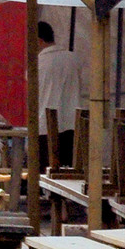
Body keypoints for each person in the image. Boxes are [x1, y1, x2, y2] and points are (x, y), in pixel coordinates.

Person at [37, 21, 82, 166]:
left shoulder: (38, 63)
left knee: (46, 173)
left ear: (39, 41)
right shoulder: (73, 58)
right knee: (69, 172)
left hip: (45, 125)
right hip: (72, 122)